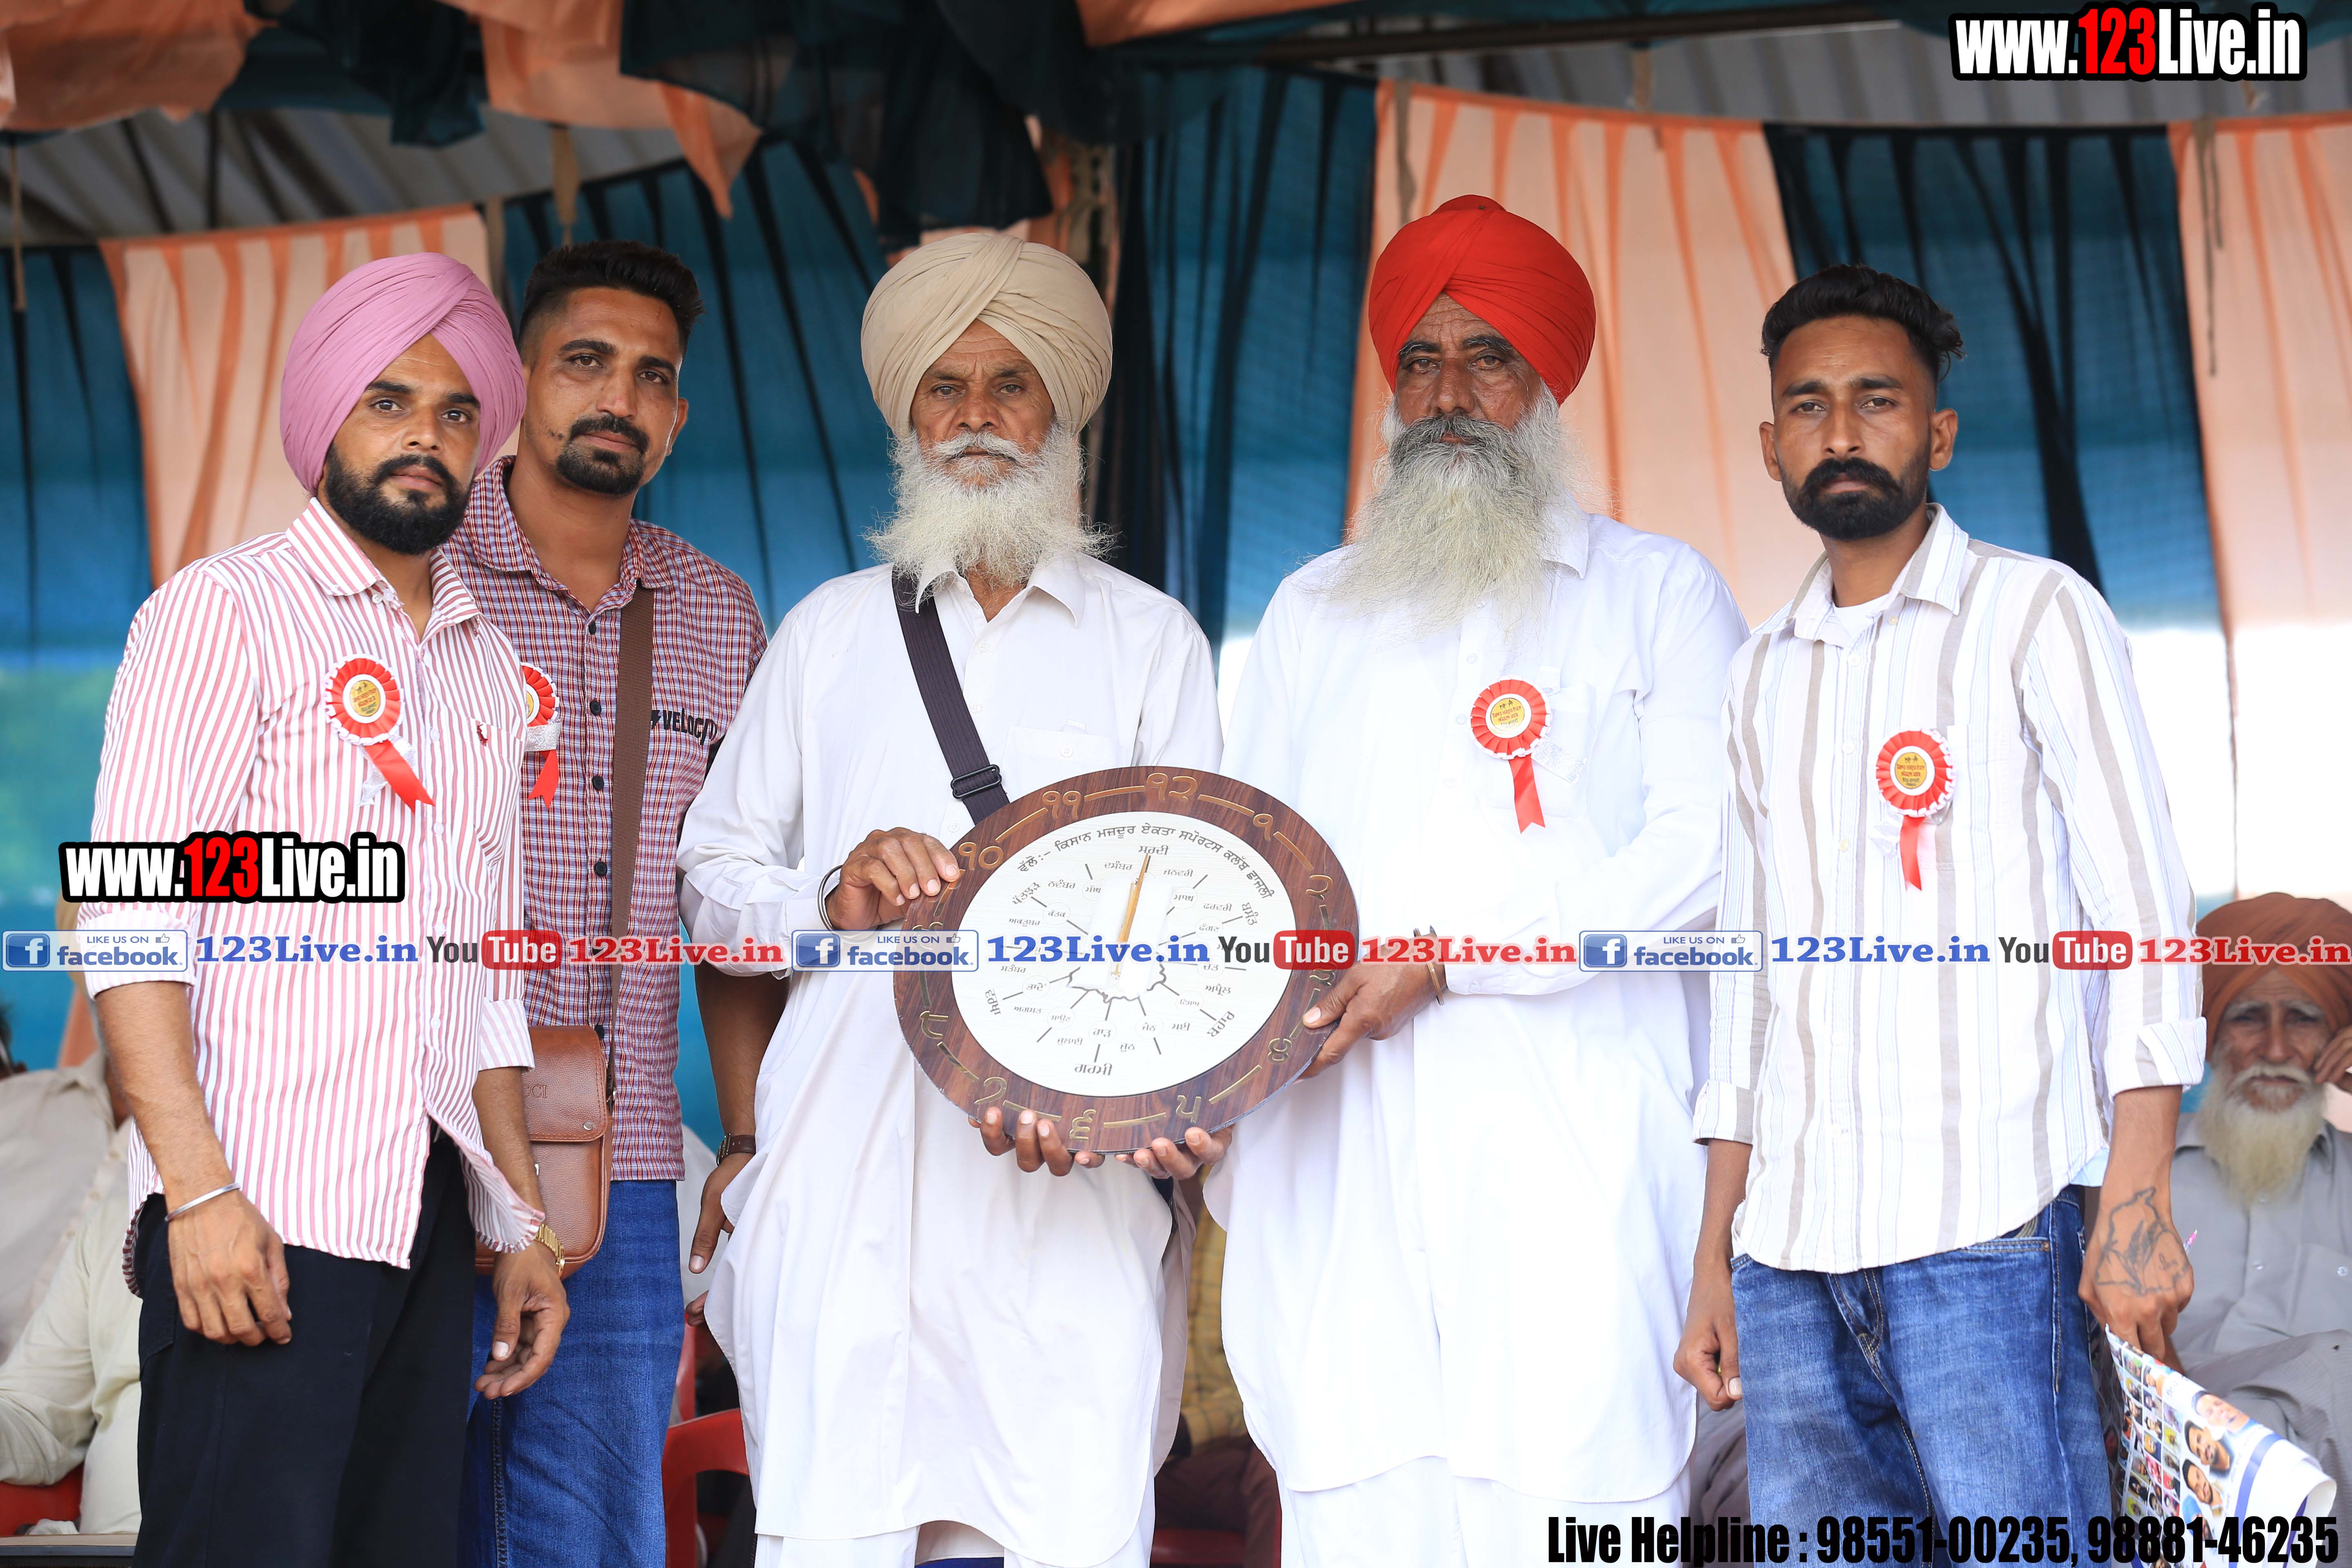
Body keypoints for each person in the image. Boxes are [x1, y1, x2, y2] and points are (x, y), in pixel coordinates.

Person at [1196, 194, 1749, 1561]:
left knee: (1581, 1509)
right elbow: (1240, 877)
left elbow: (1704, 859)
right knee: (1361, 1511)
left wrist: (1453, 958)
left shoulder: (1656, 592)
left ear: (1546, 382)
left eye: (1487, 357)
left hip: (1573, 1163)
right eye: (1421, 362)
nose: (1449, 397)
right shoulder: (1312, 610)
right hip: (1341, 1167)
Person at [677, 231, 1223, 1567]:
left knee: (1068, 1523)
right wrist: (832, 898)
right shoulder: (827, 633)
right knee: (838, 1529)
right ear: (908, 418)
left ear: (1060, 412)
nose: (977, 416)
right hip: (845, 1171)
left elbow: (1204, 919)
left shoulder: (1151, 641)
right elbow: (712, 885)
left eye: (1011, 384)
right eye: (946, 388)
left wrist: (1153, 1102)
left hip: (1063, 1184)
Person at [1676, 264, 2202, 1532]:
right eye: (1809, 406)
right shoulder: (1757, 676)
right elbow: (1748, 977)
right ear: (1770, 443)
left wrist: (2137, 1194)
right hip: (1790, 1257)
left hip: (1990, 1234)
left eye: (1878, 400)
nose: (1842, 433)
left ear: (1940, 432)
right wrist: (1716, 1249)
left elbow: (2142, 910)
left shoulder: (2036, 616)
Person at [77, 252, 568, 1568]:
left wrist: (519, 1221)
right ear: (325, 415)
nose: (425, 434)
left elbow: (486, 978)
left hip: (423, 1222)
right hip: (261, 1214)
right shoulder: (221, 613)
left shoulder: (490, 667)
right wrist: (197, 1194)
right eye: (387, 400)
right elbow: (130, 918)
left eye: (457, 410)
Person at [448, 239, 775, 1568]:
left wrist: (742, 1137)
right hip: (410, 1143)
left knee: (596, 1537)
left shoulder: (716, 613)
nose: (618, 397)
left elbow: (736, 908)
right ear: (518, 379)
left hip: (626, 1161)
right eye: (585, 361)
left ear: (678, 416)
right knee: (396, 1513)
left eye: (652, 375)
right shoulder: (416, 574)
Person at [2167, 892, 2352, 1500]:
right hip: (2164, 1472)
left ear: (2338, 1035)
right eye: (2248, 1018)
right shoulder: (2133, 1177)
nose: (2275, 1050)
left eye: (2302, 1019)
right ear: (2212, 1033)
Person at [1152, 1212, 1280, 1568]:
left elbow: (1278, 1383)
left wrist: (1188, 1429)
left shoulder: (1245, 1210)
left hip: (1222, 1458)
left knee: (1275, 1471)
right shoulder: (1120, 1200)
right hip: (1135, 1455)